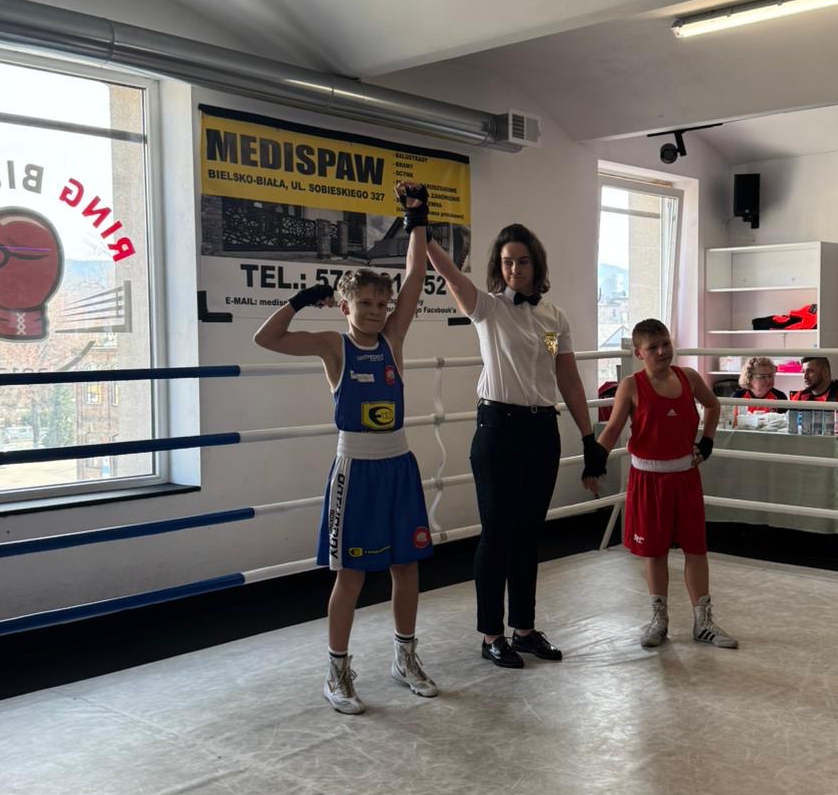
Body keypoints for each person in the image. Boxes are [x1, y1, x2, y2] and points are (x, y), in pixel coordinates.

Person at [253, 183, 436, 715]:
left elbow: (416, 275)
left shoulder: (392, 340)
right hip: (355, 471)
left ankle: (405, 659)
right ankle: (336, 672)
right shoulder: (334, 346)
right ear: (344, 306)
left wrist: (417, 218)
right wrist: (298, 301)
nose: (376, 311)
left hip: (398, 466)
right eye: (366, 303)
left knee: (407, 567)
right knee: (350, 576)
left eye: (382, 303)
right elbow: (266, 339)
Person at [426, 223, 607, 667]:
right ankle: (491, 635)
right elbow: (451, 276)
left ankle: (523, 629)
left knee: (528, 535)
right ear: (498, 265)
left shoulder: (552, 319)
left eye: (522, 261)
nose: (514, 269)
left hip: (542, 429)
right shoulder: (487, 309)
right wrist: (423, 231)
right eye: (507, 262)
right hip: (498, 430)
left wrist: (589, 437)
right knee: (497, 534)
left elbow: (565, 376)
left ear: (536, 265)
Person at [584, 319, 738, 651]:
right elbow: (612, 429)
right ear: (639, 353)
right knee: (654, 552)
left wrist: (707, 441)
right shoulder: (631, 386)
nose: (662, 351)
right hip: (648, 480)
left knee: (696, 548)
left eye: (666, 343)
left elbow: (713, 405)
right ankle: (659, 619)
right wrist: (595, 461)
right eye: (653, 347)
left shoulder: (689, 377)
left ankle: (703, 621)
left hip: (685, 476)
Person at [790, 355, 838, 428]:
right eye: (803, 372)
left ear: (825, 372)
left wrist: (819, 422)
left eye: (810, 371)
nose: (805, 376)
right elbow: (787, 419)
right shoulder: (800, 395)